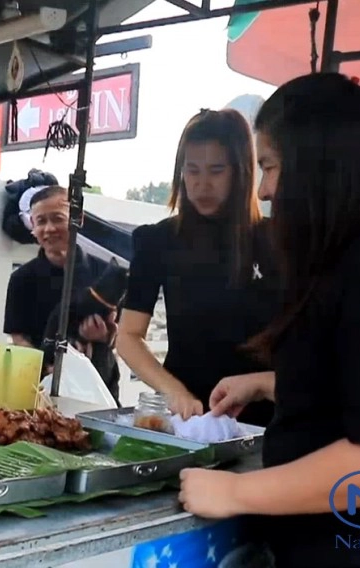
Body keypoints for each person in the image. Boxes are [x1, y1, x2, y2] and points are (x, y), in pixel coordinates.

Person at [179, 73, 360, 568]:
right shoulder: (359, 250)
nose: (265, 189)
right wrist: (270, 384)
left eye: (270, 166)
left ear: (319, 162)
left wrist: (237, 492)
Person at [116, 108, 278, 427]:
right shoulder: (157, 240)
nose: (202, 184)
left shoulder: (277, 239)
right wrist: (174, 391)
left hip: (262, 419)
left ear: (241, 171)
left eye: (216, 171)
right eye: (192, 170)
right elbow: (128, 337)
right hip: (187, 416)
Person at [3, 185, 121, 401]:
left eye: (57, 218)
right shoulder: (22, 278)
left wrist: (103, 336)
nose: (49, 229)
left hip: (99, 387)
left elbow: (123, 335)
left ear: (78, 219)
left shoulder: (106, 272)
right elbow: (19, 337)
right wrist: (46, 367)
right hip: (41, 388)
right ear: (32, 226)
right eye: (41, 221)